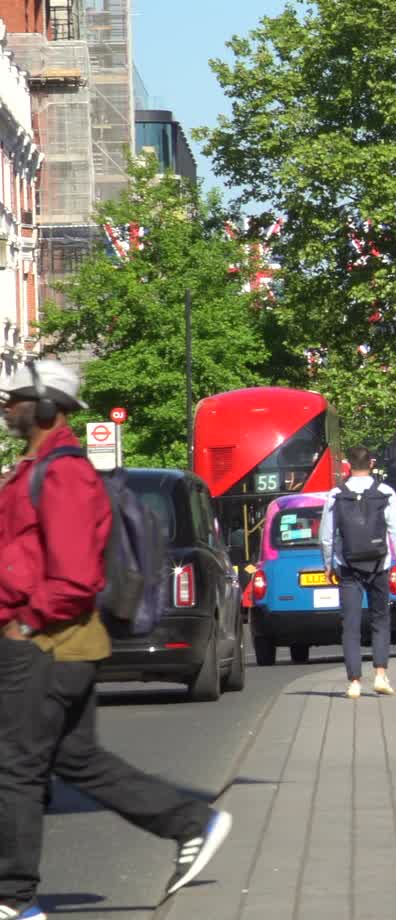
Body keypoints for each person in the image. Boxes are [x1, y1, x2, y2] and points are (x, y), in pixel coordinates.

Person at [0, 361, 234, 917]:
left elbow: (75, 574)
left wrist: (27, 622)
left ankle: (14, 898)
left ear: (47, 406)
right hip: (53, 642)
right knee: (78, 761)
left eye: (14, 398)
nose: (6, 406)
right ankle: (190, 823)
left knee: (14, 767)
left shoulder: (62, 475)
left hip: (46, 643)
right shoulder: (33, 468)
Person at [318, 445, 396, 700]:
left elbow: (327, 535)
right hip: (379, 565)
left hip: (348, 567)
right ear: (371, 463)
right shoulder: (385, 492)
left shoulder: (336, 494)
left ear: (348, 464)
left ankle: (355, 682)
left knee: (350, 624)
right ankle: (380, 674)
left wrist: (328, 564)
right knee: (380, 619)